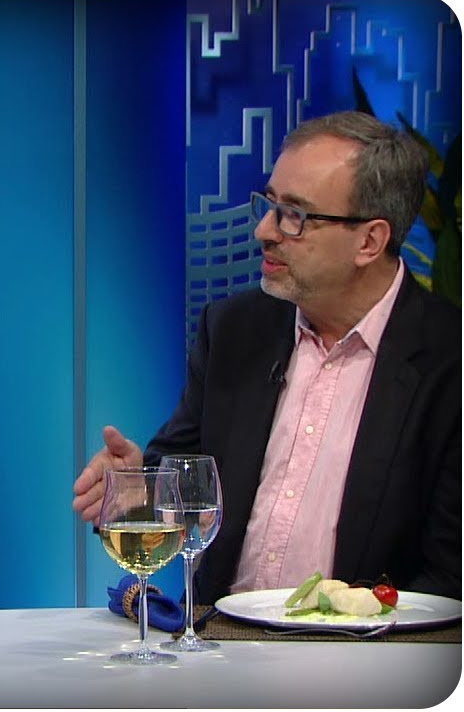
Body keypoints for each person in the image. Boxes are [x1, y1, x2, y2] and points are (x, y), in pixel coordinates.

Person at [72, 111, 460, 604]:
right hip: (221, 641)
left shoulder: (448, 358)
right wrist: (134, 491)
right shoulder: (234, 330)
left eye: (294, 215)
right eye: (270, 204)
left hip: (366, 648)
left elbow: (449, 578)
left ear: (369, 241)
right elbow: (186, 484)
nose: (264, 230)